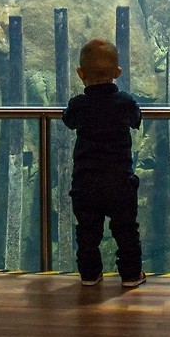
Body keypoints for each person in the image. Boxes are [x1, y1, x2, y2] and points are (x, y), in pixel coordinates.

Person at [62, 38, 145, 288]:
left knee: (87, 232)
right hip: (120, 180)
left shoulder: (79, 104)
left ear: (80, 73)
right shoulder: (124, 101)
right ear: (117, 73)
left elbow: (69, 121)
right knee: (126, 230)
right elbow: (136, 120)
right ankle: (130, 275)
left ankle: (89, 274)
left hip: (86, 181)